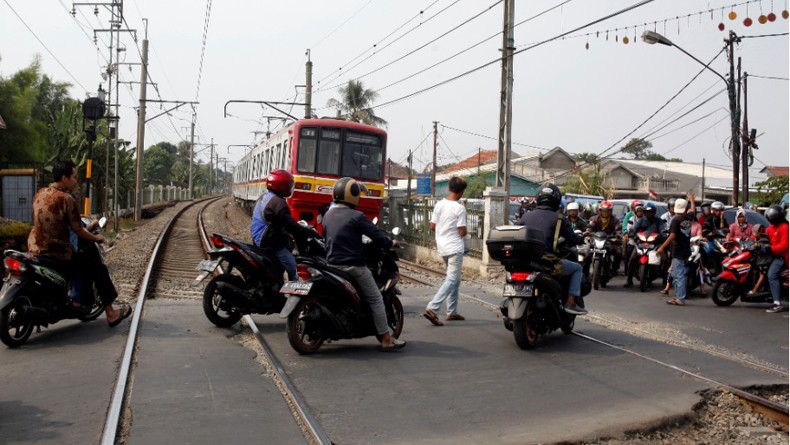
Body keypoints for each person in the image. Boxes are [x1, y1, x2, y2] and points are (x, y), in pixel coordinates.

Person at [27, 159, 131, 327]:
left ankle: (77, 301)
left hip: (36, 248)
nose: (76, 180)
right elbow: (78, 230)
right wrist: (96, 238)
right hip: (58, 253)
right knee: (97, 268)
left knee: (83, 263)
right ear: (64, 178)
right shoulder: (67, 199)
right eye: (74, 177)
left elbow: (54, 221)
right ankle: (111, 313)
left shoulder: (40, 193)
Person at [322, 177, 406, 351]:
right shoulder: (357, 216)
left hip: (331, 264)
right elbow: (377, 235)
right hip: (353, 267)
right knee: (375, 298)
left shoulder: (328, 215)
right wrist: (391, 243)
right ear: (352, 194)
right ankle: (385, 338)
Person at [519, 184, 587, 315]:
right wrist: (581, 239)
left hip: (526, 260)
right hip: (547, 261)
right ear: (556, 200)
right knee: (577, 268)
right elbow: (573, 239)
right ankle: (571, 302)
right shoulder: (559, 218)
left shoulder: (526, 216)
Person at [251, 169, 318, 281]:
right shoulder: (279, 202)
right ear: (282, 186)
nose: (290, 187)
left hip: (257, 240)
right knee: (295, 269)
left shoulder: (263, 198)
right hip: (269, 243)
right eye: (289, 185)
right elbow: (290, 225)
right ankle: (295, 292)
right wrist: (310, 232)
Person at [423, 176, 468, 326]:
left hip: (442, 247)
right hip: (455, 248)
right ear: (461, 192)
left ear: (449, 188)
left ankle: (452, 312)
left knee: (454, 279)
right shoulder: (460, 208)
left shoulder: (439, 204)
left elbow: (432, 226)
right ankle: (433, 307)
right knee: (452, 279)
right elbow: (462, 232)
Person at [657, 197, 693, 306]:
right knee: (677, 273)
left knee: (679, 275)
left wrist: (662, 247)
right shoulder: (688, 218)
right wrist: (691, 200)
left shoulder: (676, 220)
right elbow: (692, 211)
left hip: (678, 250)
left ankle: (680, 298)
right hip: (686, 249)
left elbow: (672, 235)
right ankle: (678, 296)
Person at [625, 202, 665, 288]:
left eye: (651, 212)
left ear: (654, 212)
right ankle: (629, 279)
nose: (649, 214)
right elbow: (634, 228)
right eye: (647, 212)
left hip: (655, 244)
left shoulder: (658, 220)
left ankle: (665, 280)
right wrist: (631, 233)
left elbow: (663, 229)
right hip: (642, 243)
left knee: (665, 259)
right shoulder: (641, 220)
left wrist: (663, 234)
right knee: (632, 258)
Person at [763, 205, 788, 313]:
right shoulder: (772, 227)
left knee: (772, 275)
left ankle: (777, 303)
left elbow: (785, 245)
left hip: (782, 257)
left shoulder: (785, 227)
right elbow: (764, 233)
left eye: (772, 216)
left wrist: (771, 249)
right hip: (773, 255)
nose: (770, 218)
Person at [587, 201, 623, 273]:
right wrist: (588, 232)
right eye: (603, 211)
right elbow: (590, 227)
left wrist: (617, 235)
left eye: (607, 211)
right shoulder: (595, 219)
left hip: (609, 240)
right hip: (597, 239)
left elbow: (618, 229)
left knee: (619, 252)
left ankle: (614, 269)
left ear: (610, 211)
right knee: (587, 253)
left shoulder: (615, 220)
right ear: (599, 211)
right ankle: (585, 271)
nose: (605, 213)